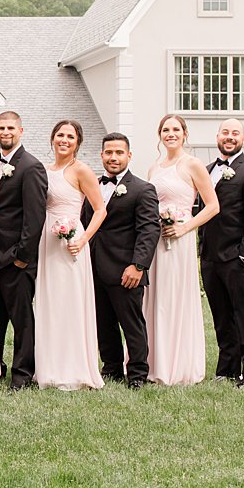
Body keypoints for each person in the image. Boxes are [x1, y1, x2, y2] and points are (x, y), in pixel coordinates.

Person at [143, 114, 219, 385]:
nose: (170, 134)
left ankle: (178, 364)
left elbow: (212, 206)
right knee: (156, 296)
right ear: (159, 134)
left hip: (180, 239)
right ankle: (154, 362)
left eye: (176, 129)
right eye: (165, 129)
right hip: (156, 241)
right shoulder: (154, 168)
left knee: (176, 296)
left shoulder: (193, 165)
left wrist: (185, 228)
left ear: (185, 134)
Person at [34, 119, 108, 390]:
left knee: (70, 302)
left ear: (78, 142)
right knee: (50, 301)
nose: (64, 140)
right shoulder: (43, 170)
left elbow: (100, 209)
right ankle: (49, 367)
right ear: (52, 138)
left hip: (72, 242)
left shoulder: (82, 171)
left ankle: (75, 368)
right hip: (47, 240)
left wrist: (83, 238)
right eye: (60, 135)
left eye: (70, 136)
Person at [199, 118, 244, 386]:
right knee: (221, 316)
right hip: (210, 257)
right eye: (225, 132)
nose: (230, 137)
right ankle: (226, 369)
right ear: (217, 136)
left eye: (235, 133)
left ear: (243, 137)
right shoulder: (206, 171)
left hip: (238, 258)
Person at [88, 133, 160, 388]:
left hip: (126, 269)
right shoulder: (93, 186)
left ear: (129, 156)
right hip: (95, 267)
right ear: (102, 155)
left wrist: (138, 265)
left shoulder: (143, 189)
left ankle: (138, 374)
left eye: (119, 153)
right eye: (109, 153)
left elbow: (150, 230)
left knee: (132, 324)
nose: (113, 157)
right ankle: (111, 368)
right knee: (103, 323)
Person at [0, 110, 47, 389]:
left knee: (22, 320)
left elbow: (35, 217)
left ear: (21, 131)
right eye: (0, 128)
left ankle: (22, 374)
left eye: (10, 128)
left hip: (16, 259)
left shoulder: (31, 167)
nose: (5, 132)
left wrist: (22, 257)